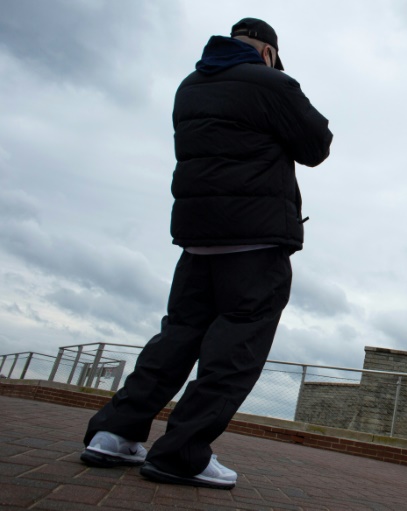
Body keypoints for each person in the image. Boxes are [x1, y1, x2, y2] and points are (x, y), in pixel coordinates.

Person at [80, 17, 333, 490]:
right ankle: (182, 453)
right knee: (234, 351)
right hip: (255, 242)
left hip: (198, 239)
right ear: (268, 52)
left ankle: (115, 433)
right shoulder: (272, 82)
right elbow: (317, 144)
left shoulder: (189, 85)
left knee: (176, 339)